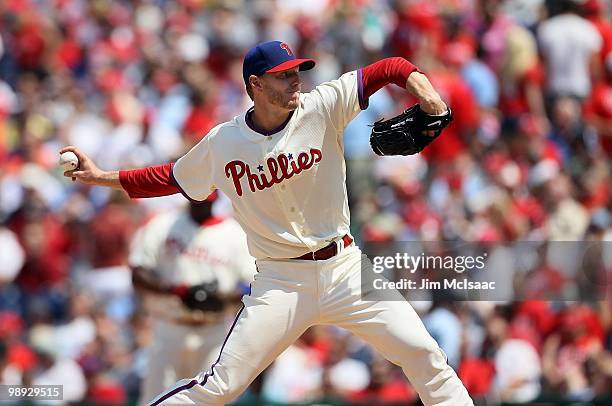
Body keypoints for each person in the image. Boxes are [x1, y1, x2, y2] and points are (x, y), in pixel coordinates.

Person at [61, 40, 474, 405]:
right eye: (282, 76)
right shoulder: (224, 142)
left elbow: (392, 67)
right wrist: (100, 178)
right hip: (282, 281)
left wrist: (431, 98)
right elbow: (169, 178)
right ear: (255, 85)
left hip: (345, 267)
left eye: (296, 71)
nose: (295, 80)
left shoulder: (323, 105)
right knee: (220, 386)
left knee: (424, 355)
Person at [128, 195, 255, 405]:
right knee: (157, 399)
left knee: (211, 400)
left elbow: (250, 284)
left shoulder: (233, 233)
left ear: (214, 199)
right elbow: (138, 272)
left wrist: (219, 297)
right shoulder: (163, 225)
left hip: (213, 330)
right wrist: (175, 290)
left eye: (206, 198)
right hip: (169, 326)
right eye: (196, 197)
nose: (201, 202)